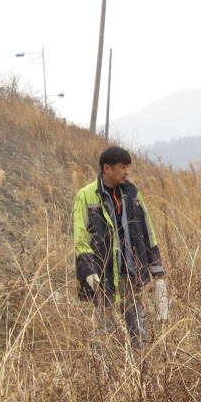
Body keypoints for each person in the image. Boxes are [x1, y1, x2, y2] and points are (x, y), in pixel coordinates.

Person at [72, 146, 166, 346]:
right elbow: (80, 238)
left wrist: (156, 268)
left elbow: (147, 231)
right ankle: (107, 364)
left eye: (128, 167)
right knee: (105, 332)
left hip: (131, 273)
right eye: (123, 167)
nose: (127, 172)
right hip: (102, 275)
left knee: (137, 330)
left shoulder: (133, 194)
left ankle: (138, 360)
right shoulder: (86, 195)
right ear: (107, 168)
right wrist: (88, 270)